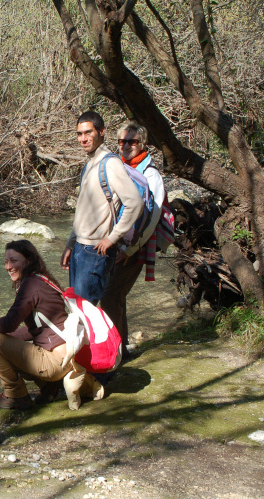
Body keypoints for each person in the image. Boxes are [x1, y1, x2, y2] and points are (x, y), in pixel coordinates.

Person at [0, 240, 102, 411]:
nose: (8, 266)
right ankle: (49, 387)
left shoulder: (31, 285)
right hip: (66, 358)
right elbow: (36, 330)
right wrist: (4, 342)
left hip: (55, 362)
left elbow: (9, 323)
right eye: (5, 261)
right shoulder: (42, 280)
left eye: (14, 261)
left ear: (29, 260)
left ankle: (16, 395)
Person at [60, 111, 144, 306]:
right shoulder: (89, 165)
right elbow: (83, 211)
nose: (83, 139)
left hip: (95, 251)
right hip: (81, 248)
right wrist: (70, 244)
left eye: (88, 132)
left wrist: (112, 238)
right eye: (79, 134)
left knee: (84, 313)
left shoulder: (111, 164)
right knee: (76, 310)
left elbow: (135, 203)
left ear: (102, 131)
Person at [100, 123, 165, 354]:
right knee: (116, 296)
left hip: (134, 248)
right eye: (122, 141)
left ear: (143, 144)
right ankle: (122, 347)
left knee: (109, 296)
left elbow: (152, 218)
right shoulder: (116, 168)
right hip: (113, 243)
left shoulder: (151, 174)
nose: (126, 145)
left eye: (132, 141)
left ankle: (113, 351)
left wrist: (130, 249)